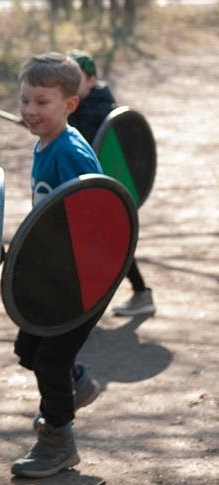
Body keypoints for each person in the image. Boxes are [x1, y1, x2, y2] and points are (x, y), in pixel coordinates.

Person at [11, 52, 107, 479]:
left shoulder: (71, 153)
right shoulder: (44, 143)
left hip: (81, 280)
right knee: (29, 351)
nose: (30, 110)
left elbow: (101, 219)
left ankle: (59, 440)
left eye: (42, 102)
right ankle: (78, 384)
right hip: (51, 275)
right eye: (25, 100)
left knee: (50, 361)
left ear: (69, 104)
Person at [68, 49, 156, 317]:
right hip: (94, 192)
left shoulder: (100, 109)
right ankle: (136, 294)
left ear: (92, 79)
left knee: (109, 245)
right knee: (101, 244)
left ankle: (139, 294)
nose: (71, 84)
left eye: (76, 77)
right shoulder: (81, 107)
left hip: (105, 191)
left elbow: (94, 143)